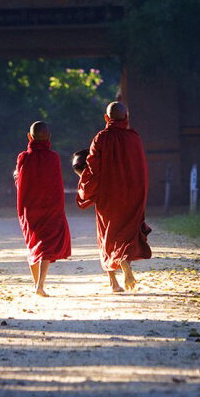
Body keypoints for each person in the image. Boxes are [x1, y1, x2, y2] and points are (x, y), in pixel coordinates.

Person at [76, 101, 152, 292]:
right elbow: (141, 168)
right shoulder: (134, 137)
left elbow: (93, 169)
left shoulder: (101, 138)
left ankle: (114, 283)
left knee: (107, 235)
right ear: (126, 118)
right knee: (127, 234)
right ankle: (124, 268)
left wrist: (84, 184)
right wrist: (141, 194)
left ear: (106, 118)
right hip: (133, 193)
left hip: (108, 195)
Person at [14, 121, 71, 296]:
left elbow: (21, 183)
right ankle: (40, 284)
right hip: (50, 207)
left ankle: (36, 284)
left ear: (29, 137)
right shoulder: (54, 158)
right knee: (45, 245)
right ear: (49, 138)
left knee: (33, 242)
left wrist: (16, 177)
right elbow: (56, 185)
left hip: (29, 208)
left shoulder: (23, 157)